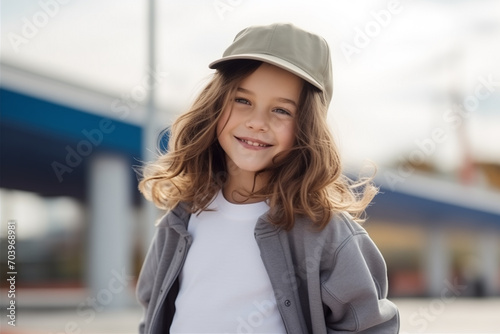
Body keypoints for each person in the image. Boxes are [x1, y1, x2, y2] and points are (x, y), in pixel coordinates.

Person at [136, 23, 399, 333]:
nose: (257, 122)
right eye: (242, 100)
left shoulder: (326, 233)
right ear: (216, 105)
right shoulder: (179, 219)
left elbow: (369, 325)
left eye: (281, 110)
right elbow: (153, 310)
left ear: (306, 126)